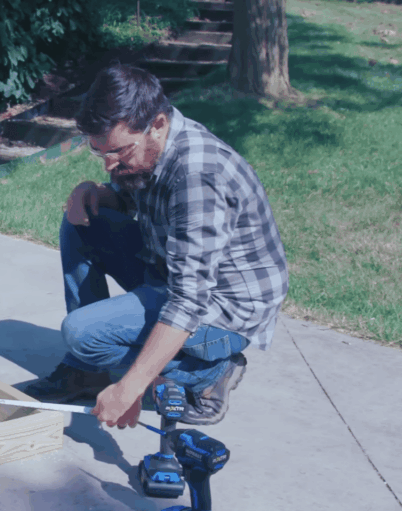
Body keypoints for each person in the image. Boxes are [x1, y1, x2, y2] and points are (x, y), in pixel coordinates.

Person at [24, 63, 289, 429]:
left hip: (222, 309)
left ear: (158, 125)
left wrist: (130, 387)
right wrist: (93, 192)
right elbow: (129, 198)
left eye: (117, 152)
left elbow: (189, 300)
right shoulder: (151, 147)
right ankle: (85, 373)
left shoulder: (199, 175)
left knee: (81, 333)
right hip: (170, 271)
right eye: (99, 153)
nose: (109, 165)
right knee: (83, 223)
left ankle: (210, 372)